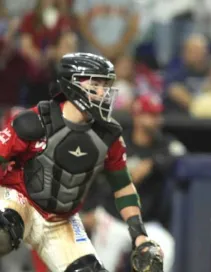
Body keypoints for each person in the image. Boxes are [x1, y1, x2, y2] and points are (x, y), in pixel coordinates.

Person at [0, 52, 163, 272]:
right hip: (19, 201)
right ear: (72, 84)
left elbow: (123, 186)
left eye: (106, 85)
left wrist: (139, 236)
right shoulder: (34, 121)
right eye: (95, 84)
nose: (103, 92)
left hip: (61, 220)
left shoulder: (108, 135)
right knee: (3, 231)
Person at [86, 95, 184, 272]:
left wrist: (151, 163)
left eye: (157, 115)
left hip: (147, 223)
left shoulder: (164, 143)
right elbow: (92, 176)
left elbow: (179, 153)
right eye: (151, 115)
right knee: (101, 266)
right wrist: (89, 210)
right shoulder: (119, 143)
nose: (156, 120)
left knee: (166, 247)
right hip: (113, 218)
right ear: (138, 117)